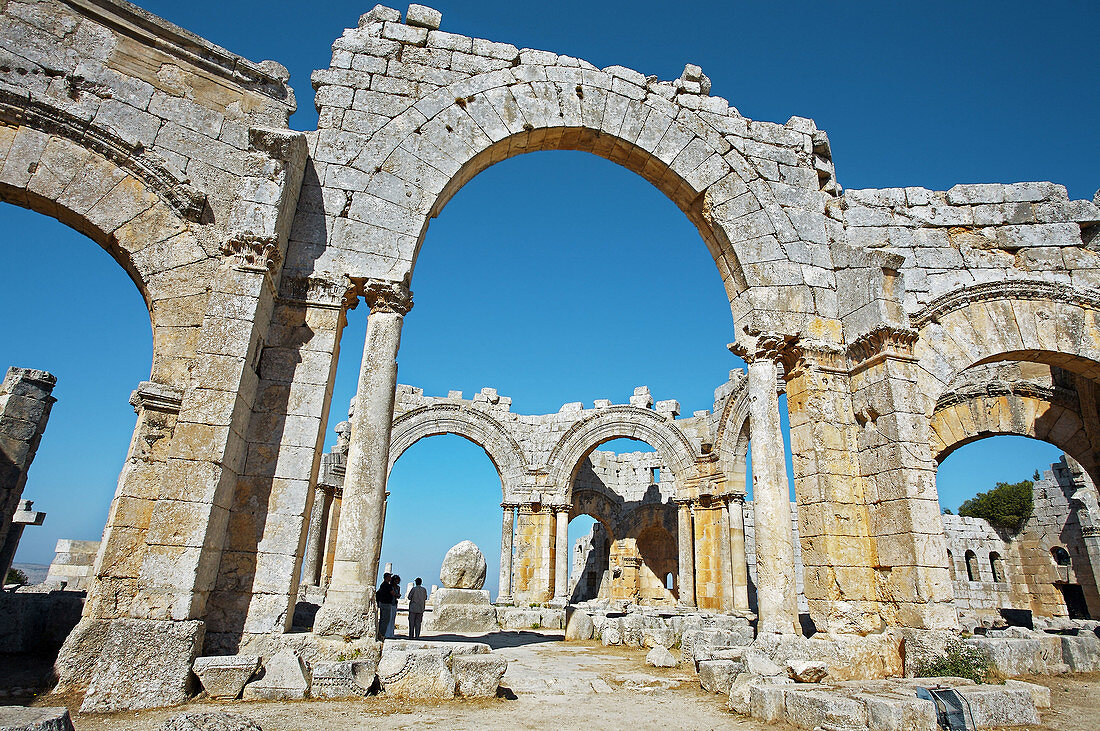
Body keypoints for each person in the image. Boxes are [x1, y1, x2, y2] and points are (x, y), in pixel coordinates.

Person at [376, 572, 394, 640]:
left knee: (382, 619)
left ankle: (380, 633)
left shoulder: (382, 585)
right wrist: (397, 595)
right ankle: (382, 634)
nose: (390, 578)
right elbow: (392, 593)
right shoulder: (387, 585)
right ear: (387, 577)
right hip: (386, 604)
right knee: (385, 620)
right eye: (389, 577)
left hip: (382, 603)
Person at [386, 574, 401, 638]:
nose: (396, 582)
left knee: (393, 619)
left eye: (397, 581)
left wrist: (397, 595)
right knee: (388, 619)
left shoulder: (398, 587)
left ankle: (391, 633)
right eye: (395, 581)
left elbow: (397, 595)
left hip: (394, 603)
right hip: (389, 603)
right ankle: (387, 633)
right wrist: (396, 594)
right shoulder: (389, 586)